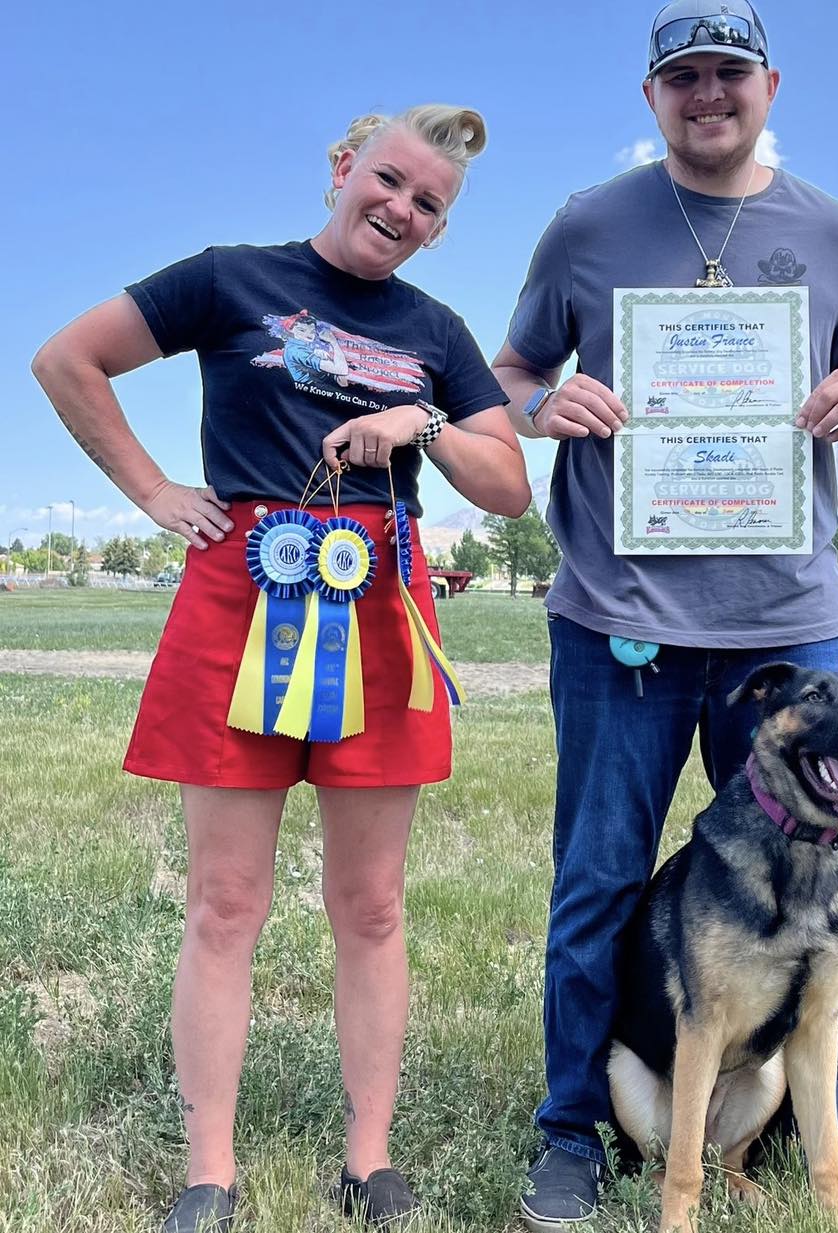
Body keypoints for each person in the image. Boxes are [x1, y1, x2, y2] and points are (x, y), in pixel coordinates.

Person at [33, 104, 530, 1232]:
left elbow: (507, 485)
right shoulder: (228, 277)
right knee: (222, 903)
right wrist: (154, 492)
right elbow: (68, 360)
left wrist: (425, 429)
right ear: (343, 167)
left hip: (381, 609)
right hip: (240, 592)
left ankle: (370, 1160)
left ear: (437, 231)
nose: (400, 208)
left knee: (371, 904)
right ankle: (208, 1170)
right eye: (390, 180)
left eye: (428, 206)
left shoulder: (437, 332)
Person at [492, 5, 838, 1231]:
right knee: (602, 880)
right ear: (651, 95)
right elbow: (510, 377)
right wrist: (543, 409)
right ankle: (571, 1128)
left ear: (769, 83)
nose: (707, 93)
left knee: (816, 883)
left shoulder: (836, 233)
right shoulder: (585, 224)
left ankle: (804, 1132)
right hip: (619, 620)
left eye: (729, 71)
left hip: (784, 624)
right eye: (682, 76)